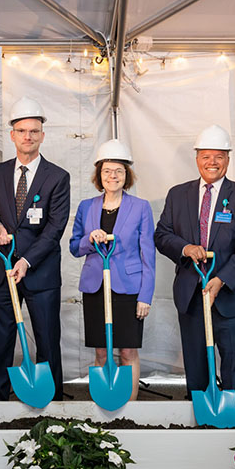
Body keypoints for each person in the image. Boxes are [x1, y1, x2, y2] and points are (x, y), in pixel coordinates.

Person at [154, 125, 235, 400]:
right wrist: (185, 247)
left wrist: (222, 279)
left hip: (232, 297)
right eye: (206, 156)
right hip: (192, 293)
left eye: (219, 156)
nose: (212, 162)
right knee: (197, 368)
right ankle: (199, 422)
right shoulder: (178, 195)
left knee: (234, 368)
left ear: (228, 159)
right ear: (197, 158)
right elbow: (162, 235)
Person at [0, 96, 70, 401]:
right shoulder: (0, 172)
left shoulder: (57, 177)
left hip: (39, 272)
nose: (28, 136)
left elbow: (55, 227)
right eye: (22, 131)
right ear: (12, 135)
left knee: (46, 339)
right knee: (2, 338)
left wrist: (28, 260)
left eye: (34, 131)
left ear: (42, 135)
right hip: (2, 269)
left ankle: (53, 402)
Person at [70, 139, 155, 401]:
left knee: (127, 351)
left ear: (126, 175)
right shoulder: (87, 207)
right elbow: (75, 247)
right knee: (101, 353)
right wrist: (89, 240)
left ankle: (130, 407)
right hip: (96, 287)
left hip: (128, 289)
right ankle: (104, 401)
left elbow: (148, 254)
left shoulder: (141, 207)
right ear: (99, 175)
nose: (113, 176)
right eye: (107, 171)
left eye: (118, 171)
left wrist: (145, 296)